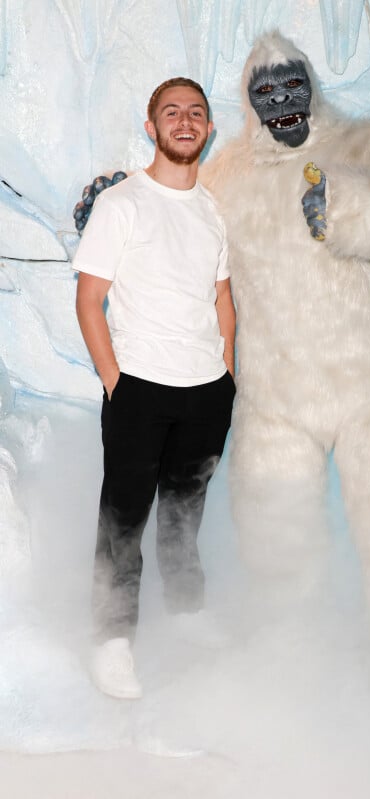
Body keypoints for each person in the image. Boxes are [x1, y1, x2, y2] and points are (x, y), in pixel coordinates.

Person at [73, 77, 236, 700]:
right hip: (140, 384)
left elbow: (222, 296)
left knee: (184, 512)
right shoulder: (123, 204)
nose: (185, 121)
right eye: (172, 112)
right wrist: (116, 382)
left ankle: (188, 612)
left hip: (206, 392)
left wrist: (228, 369)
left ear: (209, 128)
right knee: (123, 517)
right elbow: (90, 299)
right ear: (152, 127)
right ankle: (111, 641)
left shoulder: (213, 210)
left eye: (196, 112)